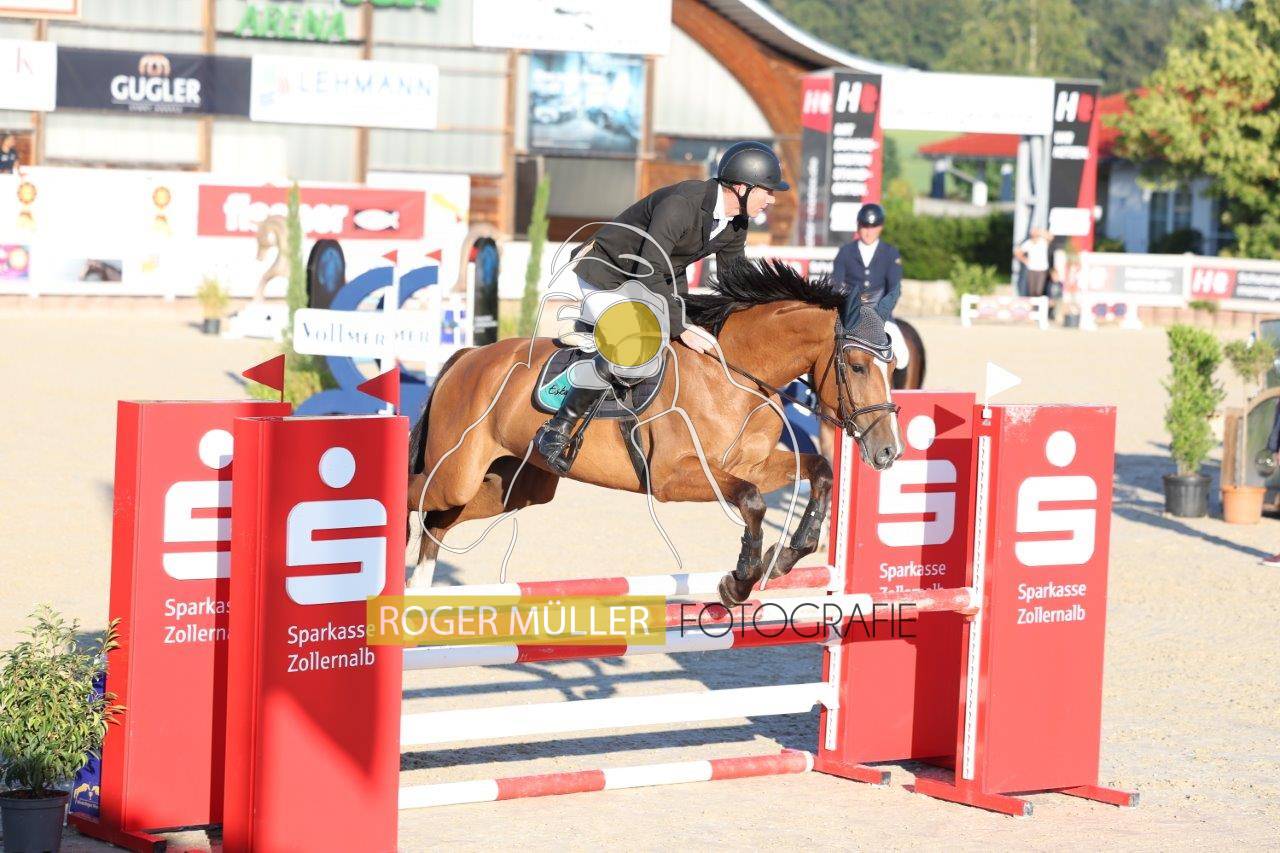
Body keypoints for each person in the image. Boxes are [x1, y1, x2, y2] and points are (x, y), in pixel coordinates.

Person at [533, 140, 789, 474]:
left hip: (656, 280)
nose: (771, 199)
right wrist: (680, 326)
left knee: (698, 334)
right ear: (742, 188)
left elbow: (735, 283)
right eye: (768, 191)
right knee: (635, 344)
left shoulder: (736, 222)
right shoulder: (681, 205)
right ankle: (558, 428)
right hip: (606, 274)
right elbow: (647, 271)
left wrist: (765, 319)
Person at [832, 202, 905, 354]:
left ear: (880, 227)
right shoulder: (845, 252)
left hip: (882, 317)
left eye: (873, 227)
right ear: (858, 226)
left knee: (902, 354)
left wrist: (878, 316)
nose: (869, 231)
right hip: (850, 317)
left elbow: (894, 290)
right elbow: (836, 286)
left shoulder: (891, 253)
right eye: (865, 226)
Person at [1014, 227, 1053, 297]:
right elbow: (1017, 252)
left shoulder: (1043, 241)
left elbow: (1051, 237)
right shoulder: (1028, 243)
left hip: (1042, 269)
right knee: (1032, 290)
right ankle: (1033, 303)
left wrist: (1040, 232)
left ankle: (1038, 303)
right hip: (1031, 268)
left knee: (1038, 290)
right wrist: (1024, 260)